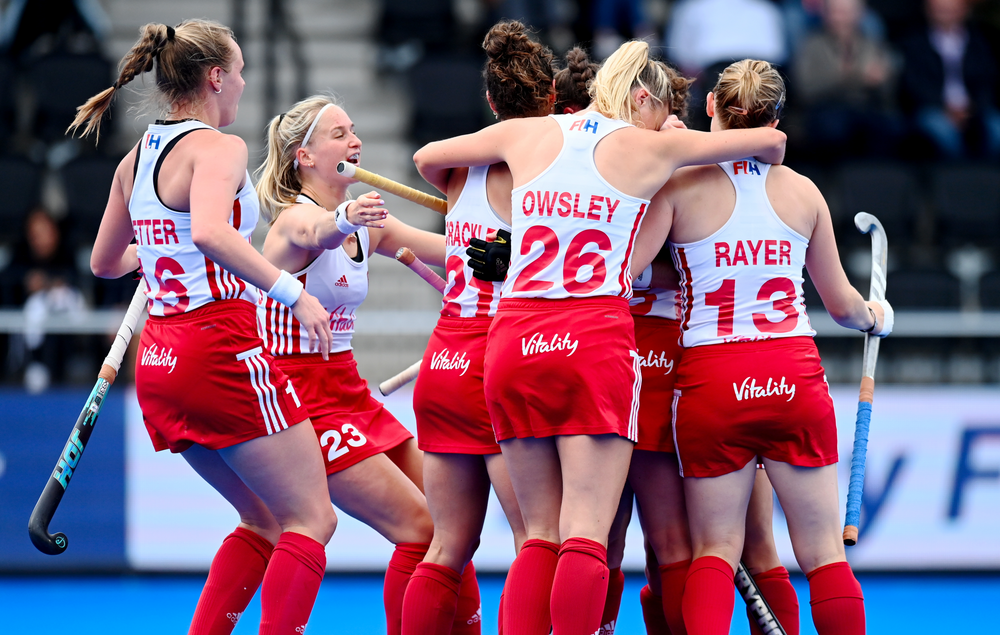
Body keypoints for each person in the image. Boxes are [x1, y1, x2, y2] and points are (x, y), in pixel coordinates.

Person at [414, 40, 786, 635]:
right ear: (641, 98)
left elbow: (428, 158)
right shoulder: (655, 147)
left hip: (514, 337)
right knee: (589, 530)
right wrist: (681, 141)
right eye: (662, 107)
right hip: (594, 338)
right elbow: (771, 143)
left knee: (541, 533)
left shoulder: (531, 132)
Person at [71, 20, 337, 635]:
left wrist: (154, 251)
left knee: (262, 519)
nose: (243, 82)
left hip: (160, 360)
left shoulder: (134, 160)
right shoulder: (220, 148)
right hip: (218, 346)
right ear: (215, 77)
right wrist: (293, 292)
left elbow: (104, 262)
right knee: (311, 519)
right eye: (239, 71)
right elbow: (212, 233)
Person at [658, 59, 892, 635]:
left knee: (715, 549)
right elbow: (843, 307)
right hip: (790, 375)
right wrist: (877, 316)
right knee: (824, 555)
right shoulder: (802, 191)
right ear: (777, 120)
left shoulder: (679, 186)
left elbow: (627, 272)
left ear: (709, 105)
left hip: (713, 379)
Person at [254, 95, 483, 635]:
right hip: (298, 398)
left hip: (347, 388)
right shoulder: (294, 221)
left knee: (453, 527)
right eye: (339, 134)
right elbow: (316, 232)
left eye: (354, 130)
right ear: (304, 156)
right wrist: (343, 217)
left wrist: (511, 238)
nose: (355, 141)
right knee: (421, 530)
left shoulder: (367, 221)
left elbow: (452, 248)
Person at [401, 20, 553, 635]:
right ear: (550, 99)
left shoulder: (457, 171)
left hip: (444, 362)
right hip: (503, 359)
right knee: (535, 538)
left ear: (489, 100)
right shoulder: (546, 176)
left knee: (447, 547)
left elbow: (424, 157)